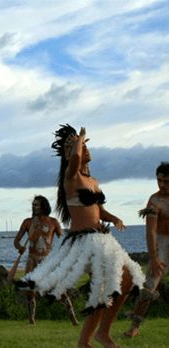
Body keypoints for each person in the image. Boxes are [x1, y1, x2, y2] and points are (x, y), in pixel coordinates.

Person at [17, 125, 145, 348]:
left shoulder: (93, 181)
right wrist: (80, 138)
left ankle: (89, 339)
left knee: (125, 281)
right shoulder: (71, 176)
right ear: (68, 154)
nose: (82, 147)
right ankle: (97, 336)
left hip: (100, 238)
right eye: (75, 145)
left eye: (83, 143)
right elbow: (75, 157)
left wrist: (114, 218)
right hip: (83, 242)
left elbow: (98, 210)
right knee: (106, 286)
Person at [13, 195, 79, 326]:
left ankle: (74, 320)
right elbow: (16, 240)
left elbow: (62, 240)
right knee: (30, 292)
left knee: (60, 291)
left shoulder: (53, 222)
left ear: (43, 206)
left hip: (48, 260)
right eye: (33, 204)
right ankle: (31, 321)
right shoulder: (27, 222)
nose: (33, 207)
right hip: (31, 259)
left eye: (36, 205)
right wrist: (20, 247)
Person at [124, 162, 169, 338]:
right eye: (159, 181)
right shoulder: (154, 201)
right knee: (149, 286)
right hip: (162, 243)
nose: (162, 185)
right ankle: (134, 326)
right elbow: (150, 232)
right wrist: (154, 258)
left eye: (166, 181)